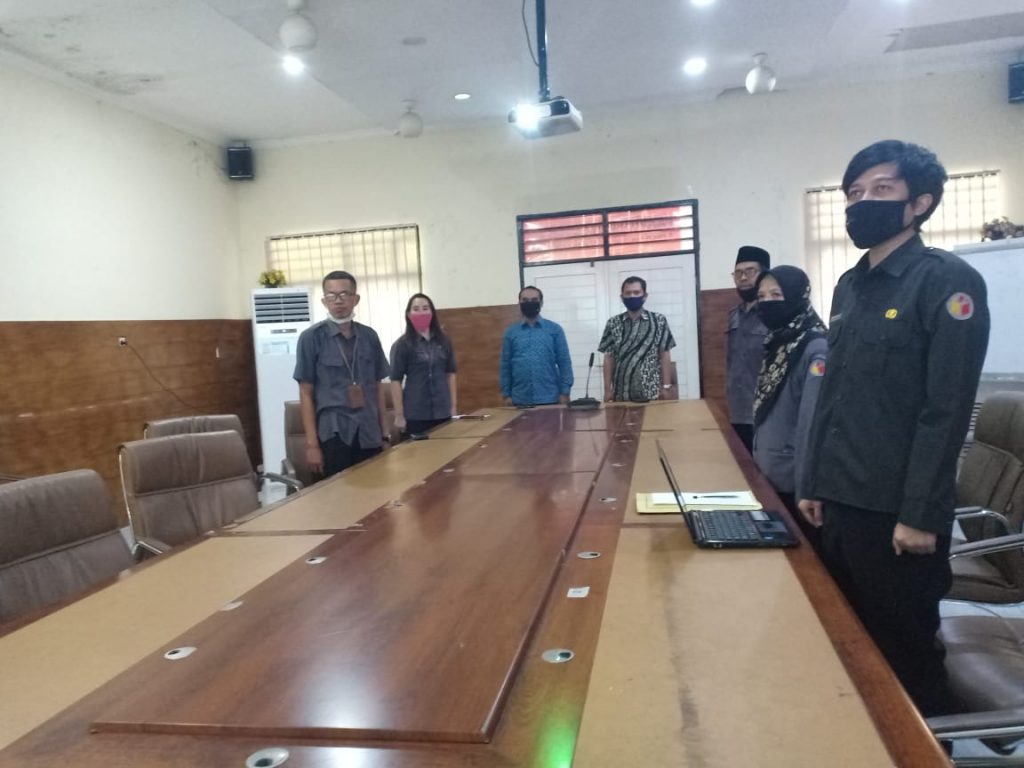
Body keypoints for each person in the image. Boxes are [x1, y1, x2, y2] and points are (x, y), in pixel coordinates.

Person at [798, 140, 990, 716]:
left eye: (881, 189)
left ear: (919, 203)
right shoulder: (850, 285)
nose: (862, 202)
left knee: (906, 658)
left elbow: (945, 409)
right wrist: (813, 481)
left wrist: (920, 514)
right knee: (848, 644)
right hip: (838, 502)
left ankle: (928, 747)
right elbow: (833, 395)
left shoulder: (947, 281)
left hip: (895, 514)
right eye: (854, 193)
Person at [750, 266, 827, 542]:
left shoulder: (815, 347)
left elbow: (811, 422)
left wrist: (808, 488)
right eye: (761, 296)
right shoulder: (780, 342)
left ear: (798, 297)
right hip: (770, 473)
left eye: (776, 294)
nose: (767, 302)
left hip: (795, 484)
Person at [293, 270, 391, 479]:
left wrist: (384, 434)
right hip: (333, 433)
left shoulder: (369, 336)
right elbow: (305, 393)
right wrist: (312, 445)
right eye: (332, 295)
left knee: (375, 492)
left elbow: (378, 389)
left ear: (355, 299)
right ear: (324, 301)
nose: (338, 301)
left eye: (345, 294)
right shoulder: (311, 338)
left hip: (369, 432)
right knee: (337, 495)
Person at [389, 293, 458, 436]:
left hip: (442, 411)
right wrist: (399, 415)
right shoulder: (402, 345)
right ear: (408, 314)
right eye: (416, 309)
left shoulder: (444, 341)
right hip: (415, 414)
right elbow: (395, 380)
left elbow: (451, 374)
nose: (421, 312)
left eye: (425, 308)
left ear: (432, 312)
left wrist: (453, 407)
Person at [599, 276, 676, 402]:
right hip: (621, 394)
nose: (632, 296)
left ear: (645, 296)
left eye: (636, 292)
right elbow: (609, 357)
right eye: (628, 293)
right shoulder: (613, 323)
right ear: (622, 297)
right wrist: (607, 390)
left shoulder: (659, 320)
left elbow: (664, 354)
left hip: (652, 392)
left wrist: (666, 387)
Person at [726, 246, 770, 452]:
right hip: (738, 409)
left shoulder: (773, 313)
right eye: (738, 273)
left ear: (765, 274)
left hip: (766, 410)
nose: (743, 278)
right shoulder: (733, 314)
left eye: (750, 271)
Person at [499, 286, 573, 406]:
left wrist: (565, 392)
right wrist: (506, 394)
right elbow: (505, 365)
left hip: (550, 397)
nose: (530, 303)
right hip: (519, 399)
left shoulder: (555, 330)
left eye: (534, 300)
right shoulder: (511, 332)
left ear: (541, 303)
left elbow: (564, 362)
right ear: (519, 303)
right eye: (525, 300)